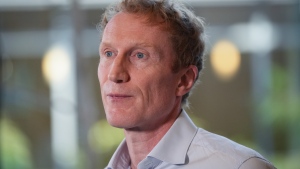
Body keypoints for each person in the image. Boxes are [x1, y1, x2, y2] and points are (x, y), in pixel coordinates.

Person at [97, 0, 276, 168]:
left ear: (184, 80)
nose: (114, 74)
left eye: (140, 55)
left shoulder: (238, 166)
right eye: (109, 53)